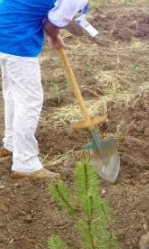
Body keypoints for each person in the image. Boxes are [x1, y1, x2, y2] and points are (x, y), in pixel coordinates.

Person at [0, 0, 89, 179]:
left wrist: (53, 33)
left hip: (4, 29)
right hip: (17, 39)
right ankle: (26, 163)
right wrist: (54, 37)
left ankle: (11, 144)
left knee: (13, 94)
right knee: (29, 102)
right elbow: (51, 24)